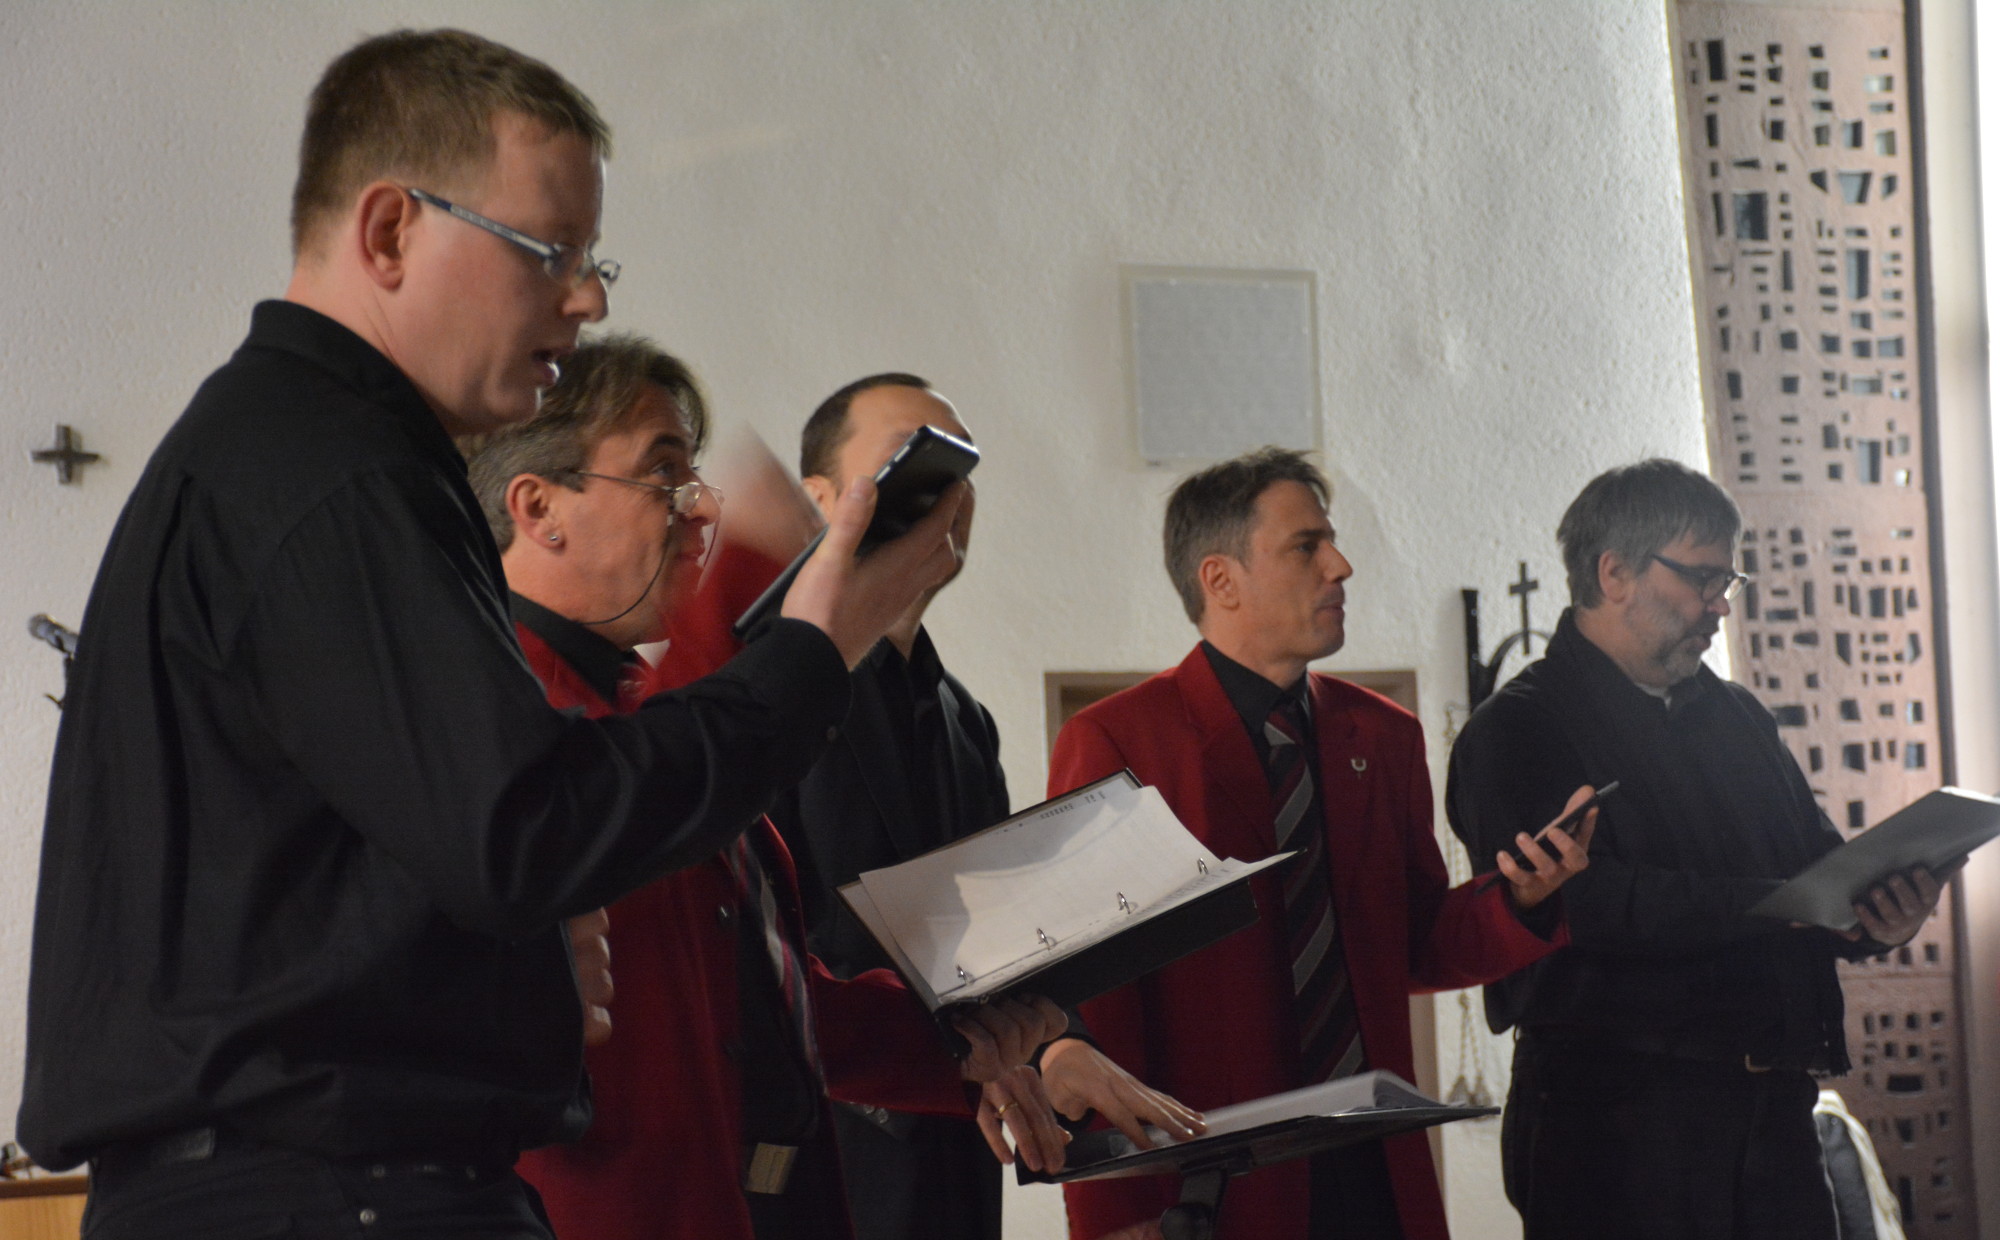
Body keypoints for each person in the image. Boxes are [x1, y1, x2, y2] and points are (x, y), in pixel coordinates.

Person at [19, 30, 967, 1239]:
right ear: (389, 233)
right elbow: (524, 832)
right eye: (549, 250)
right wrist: (812, 647)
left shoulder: (306, 450)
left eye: (592, 257)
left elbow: (375, 871)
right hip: (320, 1195)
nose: (588, 296)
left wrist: (515, 972)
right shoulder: (326, 465)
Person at [466, 337, 1068, 1240]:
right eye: (663, 472)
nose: (702, 506)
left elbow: (761, 992)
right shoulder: (505, 708)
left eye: (698, 472)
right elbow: (622, 826)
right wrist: (784, 617)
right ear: (539, 506)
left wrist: (956, 1040)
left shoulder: (637, 701)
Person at [1045, 447, 1596, 1240]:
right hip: (1214, 1187)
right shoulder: (1118, 740)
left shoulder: (1384, 734)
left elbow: (1412, 942)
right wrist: (1112, 1220)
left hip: (1373, 1167)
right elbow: (1089, 1003)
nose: (1340, 567)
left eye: (1331, 542)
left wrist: (1520, 900)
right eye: (1307, 547)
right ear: (1220, 580)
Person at [1445, 458, 1941, 1240]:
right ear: (1614, 572)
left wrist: (1879, 915)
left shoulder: (1737, 716)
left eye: (1728, 581)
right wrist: (1778, 907)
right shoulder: (1517, 730)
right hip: (1617, 1129)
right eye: (1703, 578)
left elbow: (1815, 866)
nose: (1720, 605)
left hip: (1774, 1115)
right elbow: (1589, 903)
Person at [772, 374, 1205, 1240]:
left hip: (961, 1166)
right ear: (820, 501)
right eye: (916, 460)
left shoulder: (963, 718)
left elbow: (993, 943)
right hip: (828, 1163)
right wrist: (944, 1061)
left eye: (963, 469)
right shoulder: (769, 695)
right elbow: (766, 957)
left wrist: (1057, 1044)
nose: (952, 494)